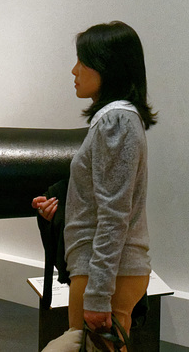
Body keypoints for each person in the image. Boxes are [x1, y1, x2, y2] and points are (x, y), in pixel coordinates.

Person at [32, 21, 157, 344]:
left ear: (107, 68)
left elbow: (114, 214)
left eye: (83, 62)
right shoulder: (116, 120)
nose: (75, 70)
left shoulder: (116, 121)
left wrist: (99, 294)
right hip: (104, 271)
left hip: (105, 275)